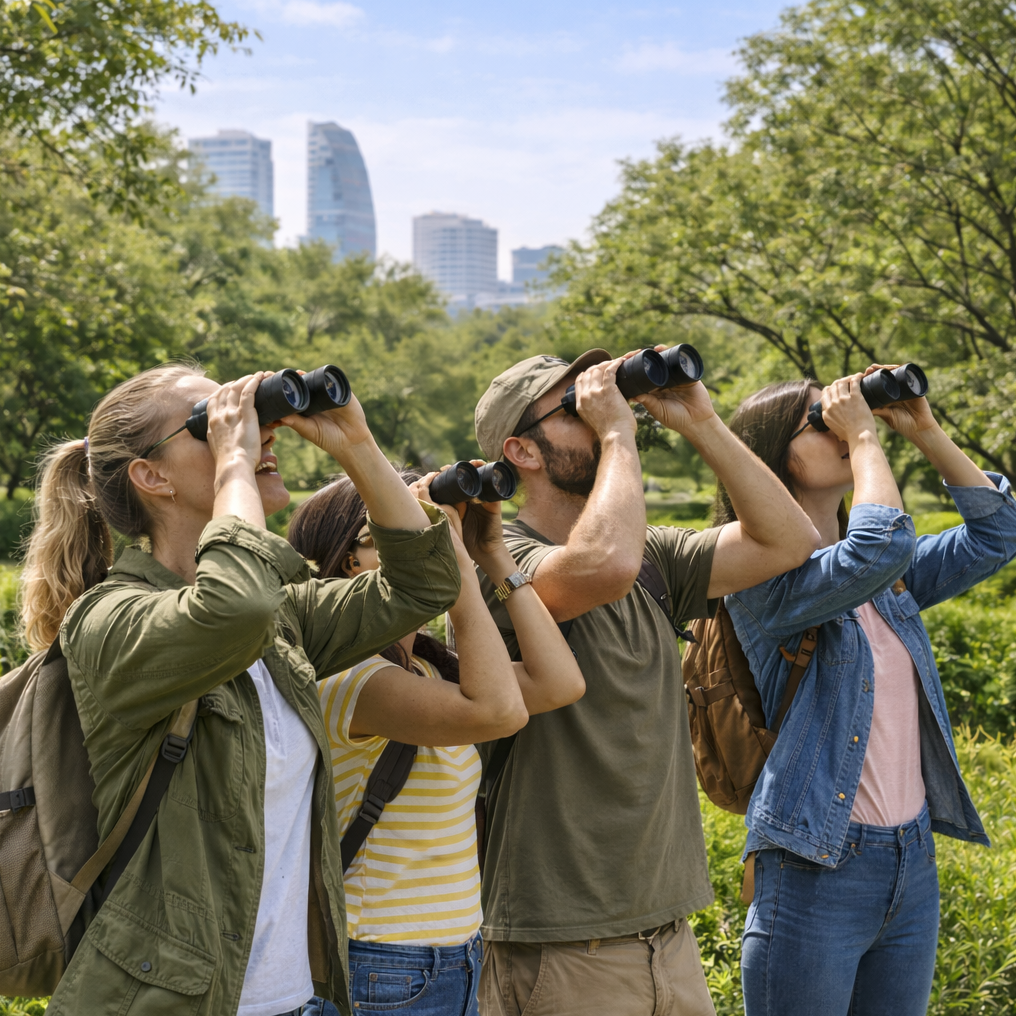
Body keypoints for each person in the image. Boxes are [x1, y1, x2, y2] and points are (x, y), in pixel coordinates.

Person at [22, 363, 461, 1016]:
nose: (250, 435)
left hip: (299, 1000)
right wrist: (237, 464)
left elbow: (423, 584)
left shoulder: (282, 617)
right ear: (152, 476)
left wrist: (356, 444)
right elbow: (232, 606)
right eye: (213, 424)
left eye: (246, 417)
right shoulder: (109, 619)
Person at [470, 349, 822, 1016]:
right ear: (523, 450)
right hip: (562, 938)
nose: (606, 407)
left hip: (667, 927)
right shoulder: (498, 560)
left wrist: (701, 421)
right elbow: (599, 566)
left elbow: (787, 541)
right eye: (575, 407)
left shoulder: (652, 557)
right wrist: (620, 433)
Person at [717, 369, 1016, 1016]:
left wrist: (924, 429)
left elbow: (998, 535)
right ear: (773, 455)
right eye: (819, 423)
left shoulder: (886, 580)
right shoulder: (760, 578)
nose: (845, 431)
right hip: (814, 865)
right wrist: (864, 440)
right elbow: (878, 544)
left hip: (910, 857)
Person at [286, 467, 584, 1016]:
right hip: (382, 962)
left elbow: (559, 683)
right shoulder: (345, 676)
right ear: (354, 559)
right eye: (404, 531)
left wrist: (493, 555)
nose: (428, 542)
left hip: (452, 954)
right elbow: (498, 711)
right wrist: (458, 569)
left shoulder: (425, 666)